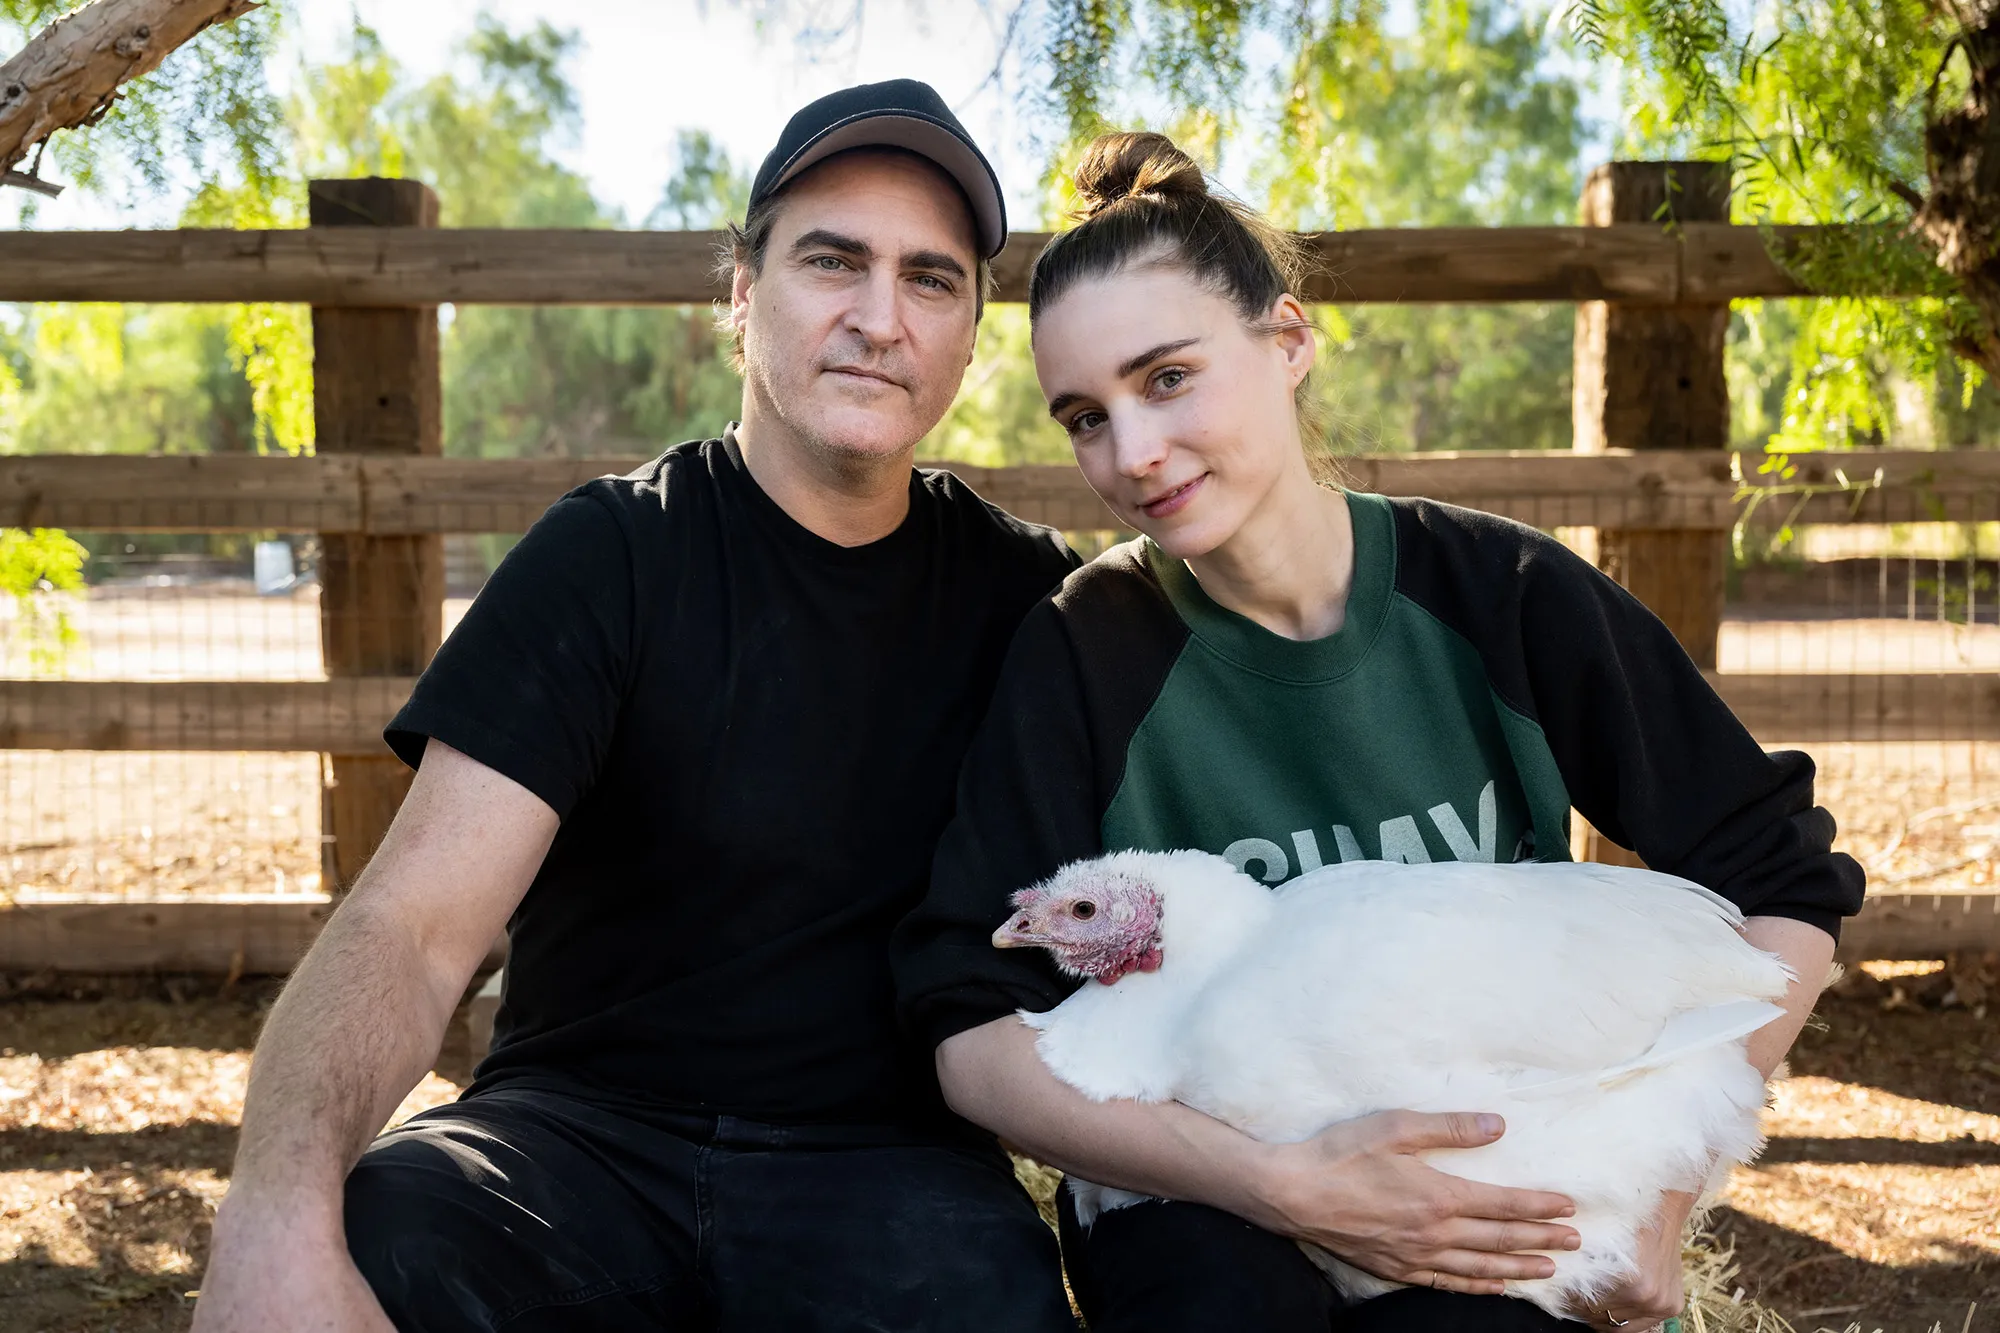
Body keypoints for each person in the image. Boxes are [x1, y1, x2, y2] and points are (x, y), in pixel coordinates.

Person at [892, 131, 1865, 1333]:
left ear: (1287, 341)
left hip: (1482, 1188)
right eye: (1084, 417)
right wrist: (1278, 1186)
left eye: (1167, 379)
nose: (1131, 454)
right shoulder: (1085, 647)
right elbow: (968, 1027)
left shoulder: (1499, 592)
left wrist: (1654, 1192)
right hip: (1206, 1199)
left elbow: (1784, 883)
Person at [193, 81, 1081, 1333]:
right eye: (832, 260)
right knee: (378, 1230)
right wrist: (273, 1212)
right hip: (574, 1142)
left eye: (930, 279)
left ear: (969, 332)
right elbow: (413, 928)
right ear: (739, 291)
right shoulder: (610, 556)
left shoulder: (1031, 599)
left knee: (986, 1300)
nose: (879, 317)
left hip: (888, 1172)